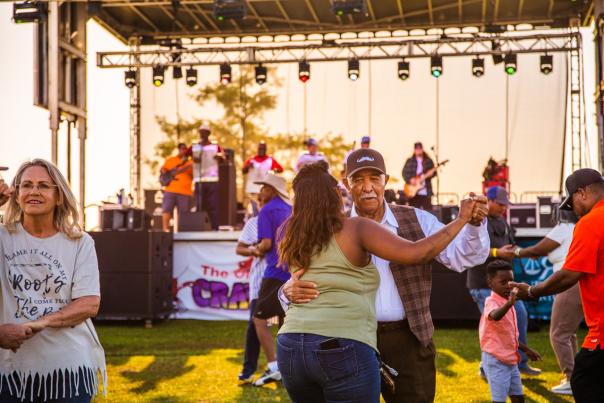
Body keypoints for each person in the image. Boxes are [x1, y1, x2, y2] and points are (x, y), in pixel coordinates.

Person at [281, 148, 490, 403]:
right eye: (358, 179)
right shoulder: (334, 225)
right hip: (348, 340)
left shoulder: (417, 219)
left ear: (386, 182)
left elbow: (464, 257)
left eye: (374, 178)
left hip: (405, 338)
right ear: (346, 185)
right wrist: (287, 290)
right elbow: (310, 273)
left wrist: (473, 225)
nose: (367, 187)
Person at [0, 159, 106, 402]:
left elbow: (89, 303)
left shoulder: (80, 242)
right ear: (16, 195)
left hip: (68, 372)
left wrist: (36, 324)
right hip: (10, 371)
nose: (34, 191)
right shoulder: (3, 237)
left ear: (59, 196)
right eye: (26, 185)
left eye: (43, 186)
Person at [510, 168, 604, 402]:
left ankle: (567, 375)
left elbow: (569, 275)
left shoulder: (591, 222)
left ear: (581, 193)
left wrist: (532, 291)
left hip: (602, 335)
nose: (573, 211)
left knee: (582, 379)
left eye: (571, 203)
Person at [498, 208, 581, 395]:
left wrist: (517, 251)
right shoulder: (576, 228)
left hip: (567, 284)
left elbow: (539, 249)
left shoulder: (564, 228)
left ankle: (571, 379)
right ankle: (577, 377)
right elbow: (543, 251)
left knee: (558, 334)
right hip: (577, 283)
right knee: (569, 334)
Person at [466, 186, 540, 377]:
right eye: (500, 204)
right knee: (494, 327)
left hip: (504, 286)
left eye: (505, 204)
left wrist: (518, 252)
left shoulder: (503, 222)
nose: (503, 208)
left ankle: (520, 363)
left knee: (520, 317)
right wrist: (498, 252)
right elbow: (472, 250)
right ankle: (486, 368)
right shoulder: (477, 220)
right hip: (482, 284)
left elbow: (508, 245)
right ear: (488, 201)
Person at [251, 173, 292, 386]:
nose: (261, 192)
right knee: (286, 323)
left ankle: (275, 367)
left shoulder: (266, 210)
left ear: (273, 190)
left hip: (274, 274)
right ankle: (289, 368)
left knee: (259, 319)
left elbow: (266, 244)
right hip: (292, 272)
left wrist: (255, 249)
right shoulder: (291, 208)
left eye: (264, 188)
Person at [480, 260, 542, 403]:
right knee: (499, 400)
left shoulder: (508, 300)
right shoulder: (491, 301)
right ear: (490, 283)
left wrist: (526, 350)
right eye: (503, 282)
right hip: (496, 360)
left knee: (518, 397)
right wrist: (509, 304)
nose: (509, 285)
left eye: (511, 281)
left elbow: (509, 335)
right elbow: (495, 316)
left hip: (511, 359)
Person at [235, 195, 267, 384]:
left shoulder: (286, 220)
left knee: (287, 327)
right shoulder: (253, 223)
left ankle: (285, 369)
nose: (262, 204)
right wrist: (254, 250)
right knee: (254, 326)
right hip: (259, 282)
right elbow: (240, 248)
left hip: (283, 282)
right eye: (261, 201)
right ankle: (248, 370)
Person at [187, 123, 225, 230]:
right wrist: (192, 160)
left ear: (208, 133)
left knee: (213, 205)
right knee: (199, 205)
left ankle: (214, 227)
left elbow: (223, 157)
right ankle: (200, 226)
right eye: (201, 132)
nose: (202, 134)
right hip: (199, 179)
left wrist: (219, 157)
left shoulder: (215, 146)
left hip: (212, 179)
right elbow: (185, 156)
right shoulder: (195, 146)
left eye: (205, 132)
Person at [242, 141, 283, 215]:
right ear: (257, 149)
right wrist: (248, 166)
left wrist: (274, 170)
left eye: (262, 149)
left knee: (264, 209)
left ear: (265, 149)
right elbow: (243, 170)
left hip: (264, 190)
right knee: (255, 210)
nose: (261, 150)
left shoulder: (270, 160)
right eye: (260, 148)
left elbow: (280, 169)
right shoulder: (252, 159)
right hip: (253, 189)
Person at [160, 142, 193, 231]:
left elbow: (194, 175)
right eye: (182, 148)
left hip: (185, 191)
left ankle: (181, 231)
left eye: (185, 149)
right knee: (167, 209)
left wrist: (189, 165)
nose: (183, 150)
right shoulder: (171, 160)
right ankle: (165, 229)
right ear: (178, 149)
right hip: (171, 189)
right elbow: (163, 170)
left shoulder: (190, 162)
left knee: (183, 213)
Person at [402, 142, 436, 211]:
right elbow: (404, 173)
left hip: (426, 192)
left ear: (422, 149)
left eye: (420, 148)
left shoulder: (428, 161)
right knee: (414, 213)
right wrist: (410, 180)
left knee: (428, 213)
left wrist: (431, 174)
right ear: (414, 150)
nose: (418, 150)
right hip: (413, 193)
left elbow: (434, 173)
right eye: (417, 149)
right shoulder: (410, 161)